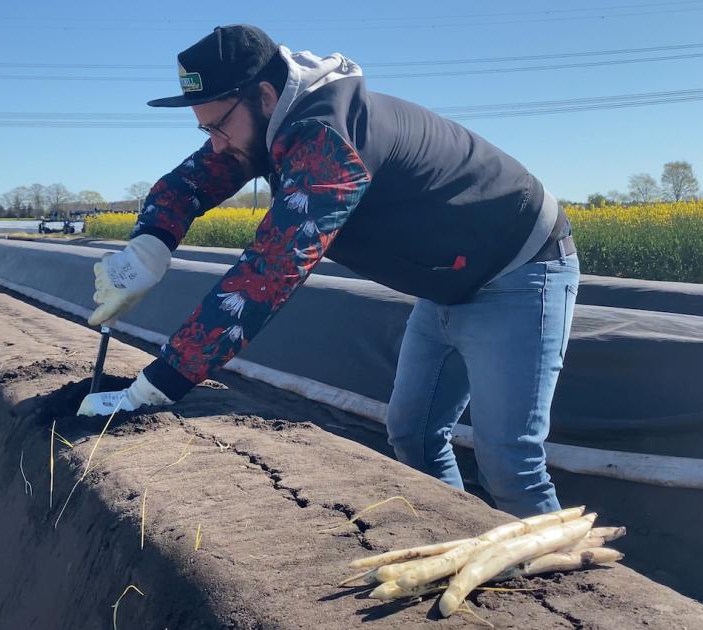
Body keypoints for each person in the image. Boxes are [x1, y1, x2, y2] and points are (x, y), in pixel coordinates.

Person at [77, 24, 579, 517]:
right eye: (204, 129)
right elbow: (188, 184)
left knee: (509, 463)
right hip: (446, 283)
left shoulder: (327, 138)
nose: (214, 143)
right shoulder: (263, 125)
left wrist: (154, 386)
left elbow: (266, 277)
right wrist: (148, 247)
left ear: (266, 96)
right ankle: (453, 539)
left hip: (519, 271)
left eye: (218, 127)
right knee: (413, 434)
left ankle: (564, 586)